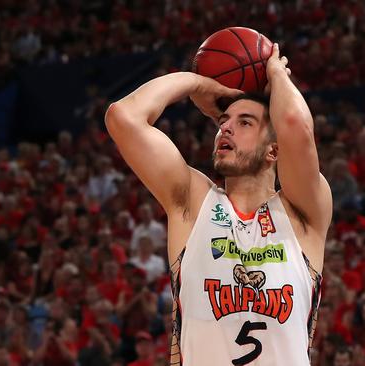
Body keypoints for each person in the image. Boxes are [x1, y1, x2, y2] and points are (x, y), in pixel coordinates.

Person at [106, 43, 332, 365]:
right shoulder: (194, 202)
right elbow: (123, 117)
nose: (225, 127)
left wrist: (277, 73)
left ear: (273, 151)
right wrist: (198, 84)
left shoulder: (301, 213)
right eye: (224, 120)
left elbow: (295, 123)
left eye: (245, 123)